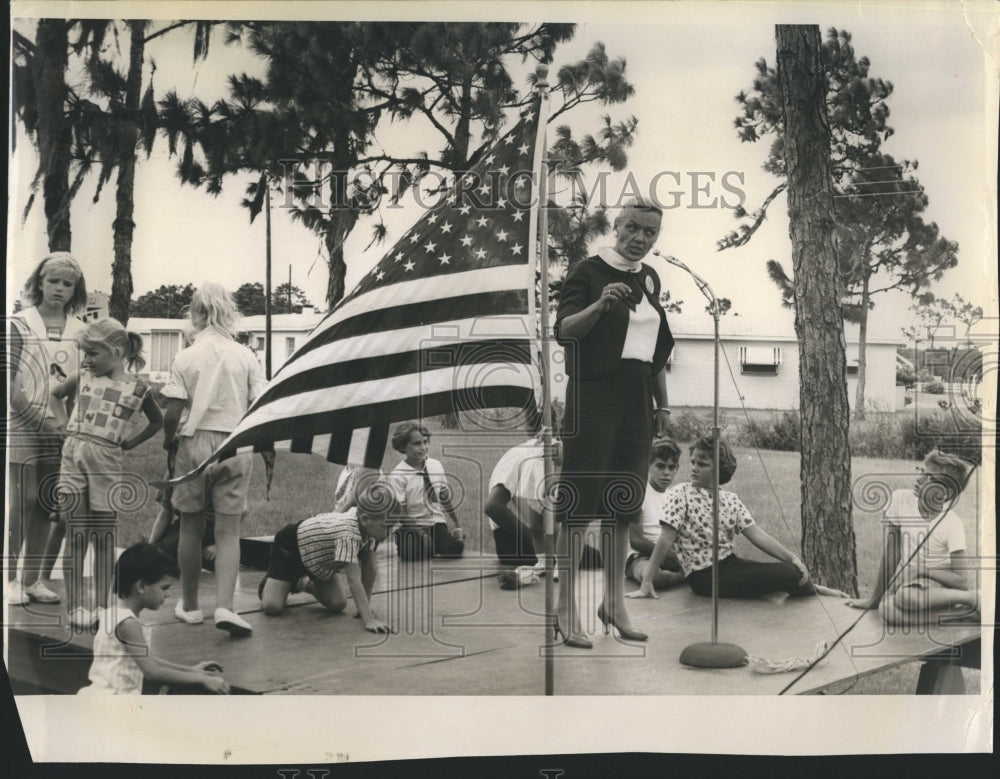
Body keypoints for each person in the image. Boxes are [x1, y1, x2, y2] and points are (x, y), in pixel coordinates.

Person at [553, 198, 674, 647]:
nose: (641, 238)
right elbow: (564, 330)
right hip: (594, 396)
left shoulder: (649, 278)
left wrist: (663, 406)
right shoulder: (587, 272)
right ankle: (565, 608)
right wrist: (601, 304)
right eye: (634, 228)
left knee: (621, 506)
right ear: (617, 226)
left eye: (651, 233)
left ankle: (613, 603)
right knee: (579, 507)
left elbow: (655, 350)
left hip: (636, 398)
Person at [160, 282, 267, 636]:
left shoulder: (186, 356)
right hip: (237, 442)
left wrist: (169, 438)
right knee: (228, 531)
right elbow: (260, 403)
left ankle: (190, 606)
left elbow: (172, 410)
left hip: (195, 443)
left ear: (198, 313)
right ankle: (225, 606)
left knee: (190, 527)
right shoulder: (246, 355)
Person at [49, 319, 163, 629]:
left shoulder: (139, 388)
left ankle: (103, 606)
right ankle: (75, 607)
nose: (86, 360)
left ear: (115, 352)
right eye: (84, 353)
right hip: (73, 457)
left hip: (107, 461)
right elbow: (55, 395)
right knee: (76, 537)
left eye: (92, 353)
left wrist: (130, 442)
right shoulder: (83, 375)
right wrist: (62, 425)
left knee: (102, 539)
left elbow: (157, 422)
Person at [651, 436, 848, 600]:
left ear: (718, 469)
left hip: (729, 564)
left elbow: (757, 536)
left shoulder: (730, 499)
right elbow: (666, 538)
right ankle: (816, 591)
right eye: (693, 462)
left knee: (792, 569)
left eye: (702, 464)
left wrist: (793, 558)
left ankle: (812, 588)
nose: (694, 468)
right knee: (790, 574)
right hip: (704, 579)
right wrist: (646, 582)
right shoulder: (680, 493)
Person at [7, 252, 87, 607]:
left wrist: (68, 425)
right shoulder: (19, 323)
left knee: (43, 503)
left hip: (60, 427)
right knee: (22, 502)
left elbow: (81, 385)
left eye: (67, 284)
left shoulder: (81, 331)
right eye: (53, 281)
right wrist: (39, 420)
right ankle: (8, 580)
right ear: (39, 282)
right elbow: (11, 387)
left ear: (75, 290)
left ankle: (33, 580)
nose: (59, 289)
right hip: (23, 422)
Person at [846, 451, 979, 626]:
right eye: (921, 471)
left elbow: (962, 581)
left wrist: (922, 571)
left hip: (938, 590)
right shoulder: (900, 499)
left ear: (944, 493)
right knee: (885, 609)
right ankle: (963, 615)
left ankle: (973, 598)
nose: (919, 478)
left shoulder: (952, 524)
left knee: (905, 596)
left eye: (928, 476)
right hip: (913, 586)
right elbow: (892, 552)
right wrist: (874, 599)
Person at [77, 542, 229, 695]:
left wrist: (191, 670)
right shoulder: (128, 624)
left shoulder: (111, 613)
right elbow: (152, 671)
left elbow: (151, 660)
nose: (168, 594)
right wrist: (202, 679)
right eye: (164, 588)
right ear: (141, 586)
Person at [257, 496, 391, 634]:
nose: (389, 532)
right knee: (273, 607)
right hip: (291, 548)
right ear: (364, 520)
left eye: (391, 527)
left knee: (337, 604)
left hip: (319, 560)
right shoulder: (348, 535)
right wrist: (368, 619)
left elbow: (370, 568)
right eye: (386, 527)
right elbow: (354, 581)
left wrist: (364, 607)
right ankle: (269, 584)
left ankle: (300, 582)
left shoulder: (368, 527)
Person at [386, 421, 465, 561]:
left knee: (453, 551)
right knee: (411, 555)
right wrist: (421, 533)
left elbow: (444, 496)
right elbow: (401, 513)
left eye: (425, 442)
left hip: (436, 522)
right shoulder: (398, 475)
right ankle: (412, 542)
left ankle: (449, 540)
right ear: (403, 446)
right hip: (411, 524)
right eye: (417, 444)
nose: (423, 448)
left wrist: (456, 523)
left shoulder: (435, 465)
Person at [624, 438, 686, 597]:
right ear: (648, 466)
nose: (666, 472)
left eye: (671, 467)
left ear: (677, 469)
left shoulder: (674, 496)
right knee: (654, 577)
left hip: (668, 554)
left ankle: (688, 573)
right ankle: (686, 577)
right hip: (640, 557)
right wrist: (667, 555)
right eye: (660, 466)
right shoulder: (639, 493)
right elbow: (636, 540)